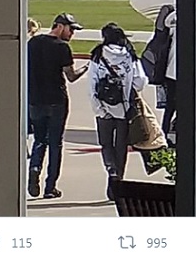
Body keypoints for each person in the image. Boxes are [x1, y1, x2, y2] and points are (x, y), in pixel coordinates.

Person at [27, 13, 89, 199]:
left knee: (39, 140)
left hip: (35, 99)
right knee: (55, 144)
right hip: (57, 100)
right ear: (60, 26)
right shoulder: (62, 47)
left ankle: (34, 169)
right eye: (71, 29)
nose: (72, 34)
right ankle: (50, 186)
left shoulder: (33, 43)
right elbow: (71, 76)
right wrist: (86, 67)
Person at [88, 23, 148, 200]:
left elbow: (91, 84)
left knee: (106, 144)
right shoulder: (129, 55)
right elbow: (140, 81)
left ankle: (111, 170)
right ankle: (118, 180)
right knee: (121, 147)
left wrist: (98, 108)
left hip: (104, 109)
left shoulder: (98, 54)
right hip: (124, 109)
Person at [162, 10, 177, 146]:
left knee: (170, 106)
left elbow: (167, 22)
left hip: (170, 73)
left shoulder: (173, 26)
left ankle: (164, 133)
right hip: (178, 73)